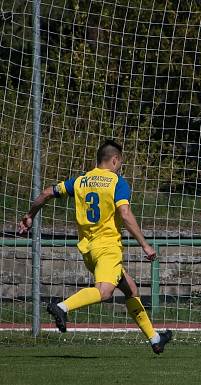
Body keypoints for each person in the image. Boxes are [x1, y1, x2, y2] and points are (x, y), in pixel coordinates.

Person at [17, 140, 172, 353]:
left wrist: (29, 216)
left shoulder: (80, 181)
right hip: (108, 248)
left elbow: (46, 193)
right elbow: (125, 214)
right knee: (104, 292)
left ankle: (155, 339)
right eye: (120, 162)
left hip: (89, 251)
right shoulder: (117, 182)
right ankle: (62, 307)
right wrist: (145, 245)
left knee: (130, 289)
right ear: (115, 160)